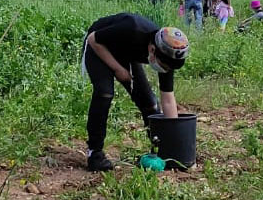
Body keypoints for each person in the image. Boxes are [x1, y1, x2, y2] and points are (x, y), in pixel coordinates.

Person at [80, 14, 189, 171]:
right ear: (152, 50)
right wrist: (118, 69)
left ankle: (159, 149)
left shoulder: (168, 55)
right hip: (99, 46)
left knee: (150, 104)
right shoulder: (133, 28)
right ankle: (94, 153)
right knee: (105, 93)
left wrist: (172, 143)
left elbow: (168, 100)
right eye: (163, 66)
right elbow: (93, 39)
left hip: (125, 52)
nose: (164, 71)